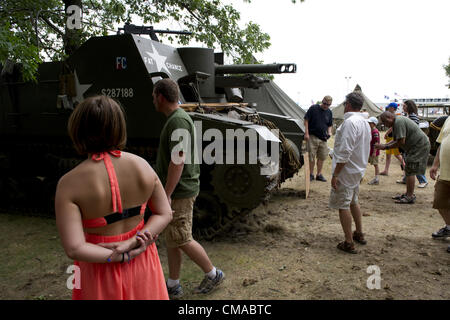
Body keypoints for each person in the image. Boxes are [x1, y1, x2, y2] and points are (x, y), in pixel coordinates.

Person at [55, 95, 172, 300]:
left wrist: (117, 257)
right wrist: (135, 242)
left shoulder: (68, 184)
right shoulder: (143, 166)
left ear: (78, 130)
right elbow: (164, 213)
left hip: (99, 267)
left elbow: (75, 248)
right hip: (143, 259)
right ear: (119, 127)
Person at [153, 79, 225, 299]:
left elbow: (178, 161)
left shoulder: (177, 121)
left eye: (153, 96)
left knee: (182, 237)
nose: (153, 100)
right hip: (181, 189)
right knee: (173, 237)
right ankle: (173, 283)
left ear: (161, 97)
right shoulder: (178, 119)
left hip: (180, 191)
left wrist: (165, 194)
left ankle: (213, 274)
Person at [329, 92, 371, 254]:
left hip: (347, 171)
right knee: (353, 201)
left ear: (348, 104)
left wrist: (336, 174)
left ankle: (348, 241)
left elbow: (345, 151)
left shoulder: (350, 123)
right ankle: (359, 233)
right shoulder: (364, 122)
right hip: (357, 168)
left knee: (343, 205)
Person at [375, 111, 430, 204]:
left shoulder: (398, 122)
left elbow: (401, 142)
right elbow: (396, 140)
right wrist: (384, 145)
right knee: (409, 169)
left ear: (389, 118)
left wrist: (385, 146)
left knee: (410, 170)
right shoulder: (397, 122)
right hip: (415, 146)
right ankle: (408, 193)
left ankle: (410, 196)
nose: (385, 125)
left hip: (419, 146)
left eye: (385, 122)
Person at [429, 116, 450, 253]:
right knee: (440, 202)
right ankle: (449, 227)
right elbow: (442, 144)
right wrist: (435, 165)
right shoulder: (448, 120)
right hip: (445, 173)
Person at [397, 100, 428, 188]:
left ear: (409, 106)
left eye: (404, 106)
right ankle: (406, 179)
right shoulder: (407, 115)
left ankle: (423, 180)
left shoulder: (413, 116)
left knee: (413, 162)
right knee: (407, 161)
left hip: (413, 143)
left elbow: (410, 129)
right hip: (408, 143)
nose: (403, 107)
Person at [304, 95, 333, 182]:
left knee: (322, 157)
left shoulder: (329, 112)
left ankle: (319, 174)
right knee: (311, 156)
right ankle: (311, 174)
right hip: (312, 136)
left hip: (323, 138)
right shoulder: (313, 108)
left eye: (328, 105)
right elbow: (306, 120)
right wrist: (306, 133)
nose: (326, 106)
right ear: (322, 101)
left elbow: (330, 124)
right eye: (324, 103)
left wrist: (330, 132)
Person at [379, 102, 405, 176]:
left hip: (393, 136)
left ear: (392, 108)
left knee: (397, 155)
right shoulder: (392, 115)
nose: (388, 108)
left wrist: (387, 133)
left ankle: (405, 169)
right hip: (390, 136)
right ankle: (386, 170)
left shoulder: (395, 116)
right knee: (388, 155)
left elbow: (392, 127)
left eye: (389, 107)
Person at [367, 117, 380, 185]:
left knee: (375, 164)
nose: (368, 124)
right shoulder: (371, 130)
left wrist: (374, 152)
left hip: (373, 151)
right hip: (370, 150)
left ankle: (376, 178)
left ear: (374, 124)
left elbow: (376, 142)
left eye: (370, 123)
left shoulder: (375, 132)